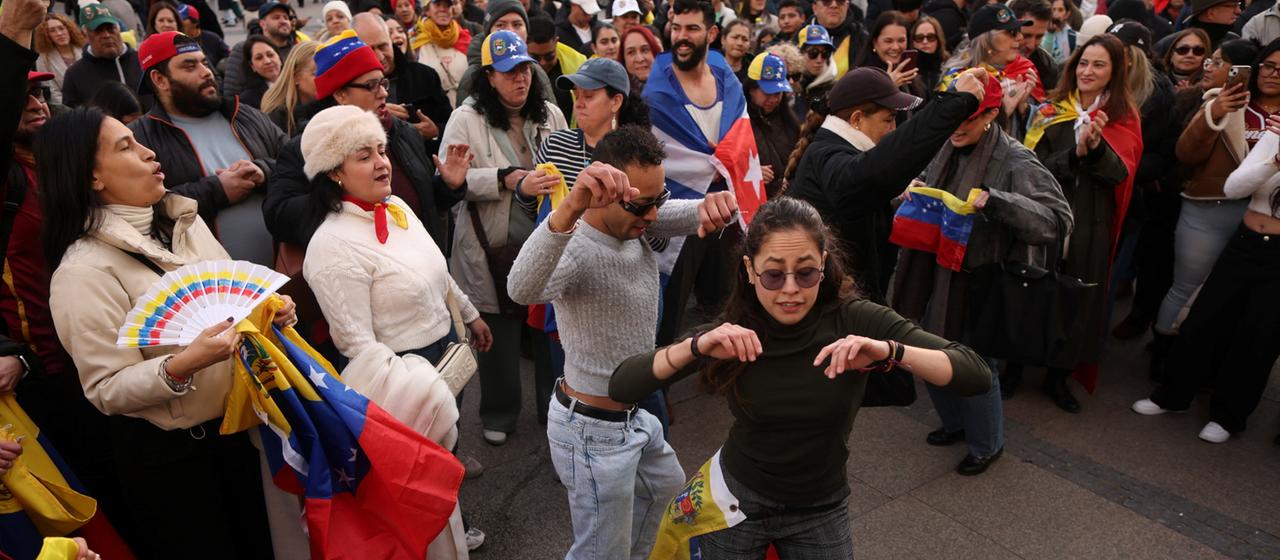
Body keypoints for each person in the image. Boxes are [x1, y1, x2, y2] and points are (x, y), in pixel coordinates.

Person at [608, 197, 993, 558]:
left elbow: (973, 373)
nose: (790, 290)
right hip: (735, 503)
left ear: (824, 264)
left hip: (820, 508)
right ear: (749, 269)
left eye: (806, 273)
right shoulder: (734, 331)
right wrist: (695, 346)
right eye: (774, 275)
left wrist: (891, 351)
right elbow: (622, 386)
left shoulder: (854, 318)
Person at [38, 106, 298, 559]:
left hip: (241, 431)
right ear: (92, 176)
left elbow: (232, 301)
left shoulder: (187, 223)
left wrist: (268, 313)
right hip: (172, 463)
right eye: (126, 147)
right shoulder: (81, 272)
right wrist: (182, 365)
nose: (148, 151)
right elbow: (105, 389)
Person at [509, 125, 738, 558]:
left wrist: (706, 207)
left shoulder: (629, 223)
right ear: (603, 195)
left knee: (668, 500)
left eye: (658, 199)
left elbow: (663, 213)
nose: (651, 216)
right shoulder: (577, 247)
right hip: (593, 432)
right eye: (640, 204)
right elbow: (520, 289)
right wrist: (571, 205)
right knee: (600, 552)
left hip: (633, 417)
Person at [298, 105, 486, 559]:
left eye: (381, 150)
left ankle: (452, 532)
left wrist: (469, 312)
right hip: (401, 382)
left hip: (445, 356)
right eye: (364, 155)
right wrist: (421, 394)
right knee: (417, 481)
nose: (383, 162)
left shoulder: (396, 207)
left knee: (447, 461)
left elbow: (437, 271)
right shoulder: (330, 246)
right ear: (334, 173)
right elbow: (356, 347)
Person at [891, 76, 1071, 475]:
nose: (957, 125)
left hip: (980, 280)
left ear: (991, 114)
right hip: (930, 274)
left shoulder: (1016, 159)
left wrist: (999, 202)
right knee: (930, 355)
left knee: (975, 368)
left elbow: (1059, 221)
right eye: (952, 115)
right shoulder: (940, 143)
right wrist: (907, 191)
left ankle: (986, 445)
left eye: (968, 117)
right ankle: (954, 424)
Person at [438, 29, 567, 445]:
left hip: (547, 239)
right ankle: (499, 412)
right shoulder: (466, 118)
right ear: (489, 76)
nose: (520, 80)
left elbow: (568, 160)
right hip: (490, 247)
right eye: (509, 72)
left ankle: (555, 409)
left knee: (550, 328)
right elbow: (451, 177)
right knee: (497, 331)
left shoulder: (549, 113)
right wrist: (505, 179)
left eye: (525, 70)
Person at [1132, 111, 1280, 443]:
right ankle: (1172, 396)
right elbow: (1233, 186)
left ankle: (1229, 416)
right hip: (1245, 242)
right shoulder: (1276, 133)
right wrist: (1275, 161)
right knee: (1203, 320)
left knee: (1259, 336)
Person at [786, 66, 987, 303]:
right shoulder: (828, 158)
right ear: (857, 119)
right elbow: (872, 174)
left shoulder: (832, 151)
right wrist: (954, 102)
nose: (893, 129)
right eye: (889, 120)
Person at [264, 31, 469, 257]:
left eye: (383, 83)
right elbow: (277, 216)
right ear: (341, 94)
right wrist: (341, 193)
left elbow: (423, 204)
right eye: (371, 85)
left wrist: (448, 187)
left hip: (421, 265)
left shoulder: (404, 133)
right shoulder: (305, 149)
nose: (383, 93)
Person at [1020, 34, 1141, 412]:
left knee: (1077, 300)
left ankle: (1058, 376)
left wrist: (1097, 149)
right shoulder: (1050, 111)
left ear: (1115, 72)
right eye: (1084, 63)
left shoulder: (1123, 118)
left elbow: (1120, 176)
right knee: (1030, 288)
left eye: (1099, 64)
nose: (1088, 71)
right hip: (1046, 216)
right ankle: (1014, 363)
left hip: (1092, 223)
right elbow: (1031, 167)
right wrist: (1075, 154)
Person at [526, 58, 650, 425]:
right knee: (563, 371)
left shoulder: (638, 152)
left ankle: (634, 431)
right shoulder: (555, 145)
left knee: (627, 379)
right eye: (576, 95)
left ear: (616, 101)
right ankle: (566, 437)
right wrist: (523, 189)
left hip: (622, 283)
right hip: (568, 281)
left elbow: (654, 233)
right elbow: (536, 218)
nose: (578, 103)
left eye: (589, 95)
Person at [1146, 38, 1258, 378]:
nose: (1206, 66)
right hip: (1206, 209)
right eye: (1210, 60)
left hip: (1257, 218)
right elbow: (1187, 154)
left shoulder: (1267, 112)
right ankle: (1163, 358)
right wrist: (1217, 112)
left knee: (1228, 298)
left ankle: (1206, 366)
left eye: (1217, 62)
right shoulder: (1204, 101)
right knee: (1185, 286)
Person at [130, 32, 288, 267]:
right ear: (160, 80)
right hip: (210, 290)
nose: (206, 72)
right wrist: (216, 191)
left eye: (204, 62)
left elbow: (297, 164)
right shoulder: (140, 139)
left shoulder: (244, 115)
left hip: (285, 272)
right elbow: (142, 210)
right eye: (189, 66)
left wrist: (262, 170)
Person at [353, 12, 454, 153]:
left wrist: (435, 132)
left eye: (383, 46)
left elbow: (452, 126)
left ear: (391, 41)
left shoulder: (424, 76)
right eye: (369, 50)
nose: (379, 56)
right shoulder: (349, 89)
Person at [61, 4, 142, 107]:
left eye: (111, 29)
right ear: (85, 35)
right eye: (98, 30)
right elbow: (72, 116)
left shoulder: (141, 61)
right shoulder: (75, 74)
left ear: (118, 29)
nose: (107, 35)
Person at [745, 52, 797, 198]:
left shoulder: (791, 122)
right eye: (768, 92)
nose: (773, 99)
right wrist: (751, 171)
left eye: (778, 93)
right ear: (751, 89)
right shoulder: (737, 122)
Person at [225, 2, 301, 98]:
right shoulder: (242, 49)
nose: (283, 21)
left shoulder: (296, 51)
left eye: (286, 18)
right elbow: (231, 94)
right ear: (263, 24)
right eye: (276, 17)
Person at [856, 11, 926, 113]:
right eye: (888, 41)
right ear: (875, 43)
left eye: (901, 40)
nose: (895, 47)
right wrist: (888, 87)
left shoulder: (913, 78)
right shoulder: (860, 77)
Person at [529, 15, 589, 124]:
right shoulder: (516, 68)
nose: (542, 63)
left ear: (556, 42)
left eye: (549, 56)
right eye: (535, 58)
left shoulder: (579, 62)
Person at [415, 0, 473, 105]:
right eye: (437, 5)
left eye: (447, 5)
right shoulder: (415, 41)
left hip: (466, 109)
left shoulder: (465, 37)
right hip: (434, 112)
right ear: (427, 10)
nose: (443, 9)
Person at [261, 40, 320, 136]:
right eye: (316, 73)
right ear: (296, 77)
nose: (323, 79)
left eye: (327, 72)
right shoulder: (277, 116)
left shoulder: (335, 104)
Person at [1009, 0, 1061, 92]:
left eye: (1039, 37)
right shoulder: (982, 59)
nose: (1031, 45)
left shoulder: (1047, 68)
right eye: (1026, 36)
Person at [34, 14, 85, 105]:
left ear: (69, 29)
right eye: (52, 31)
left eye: (61, 28)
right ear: (47, 36)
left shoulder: (83, 49)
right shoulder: (44, 58)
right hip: (66, 108)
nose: (59, 33)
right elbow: (51, 90)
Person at [793, 24, 838, 121]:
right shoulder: (789, 83)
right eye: (813, 53)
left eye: (825, 53)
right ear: (800, 53)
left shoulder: (834, 90)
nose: (819, 60)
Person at [814, 0, 870, 77]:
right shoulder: (800, 37)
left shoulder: (862, 38)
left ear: (847, 6)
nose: (834, 5)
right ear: (815, 8)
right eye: (827, 1)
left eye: (840, 1)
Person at [176, 3, 231, 72]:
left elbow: (230, 57)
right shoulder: (177, 41)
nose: (178, 23)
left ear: (194, 22)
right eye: (176, 19)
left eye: (182, 19)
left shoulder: (212, 38)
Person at [240, 35, 283, 108]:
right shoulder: (248, 100)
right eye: (259, 58)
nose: (267, 61)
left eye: (270, 55)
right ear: (252, 66)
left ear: (279, 57)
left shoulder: (298, 83)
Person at [619, 23, 661, 94]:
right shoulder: (616, 95)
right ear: (623, 59)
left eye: (645, 50)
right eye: (631, 52)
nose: (639, 59)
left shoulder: (677, 86)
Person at [911, 15, 949, 92]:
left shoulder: (950, 67)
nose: (925, 42)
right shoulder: (908, 71)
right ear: (913, 42)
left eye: (930, 37)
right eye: (919, 38)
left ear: (939, 40)